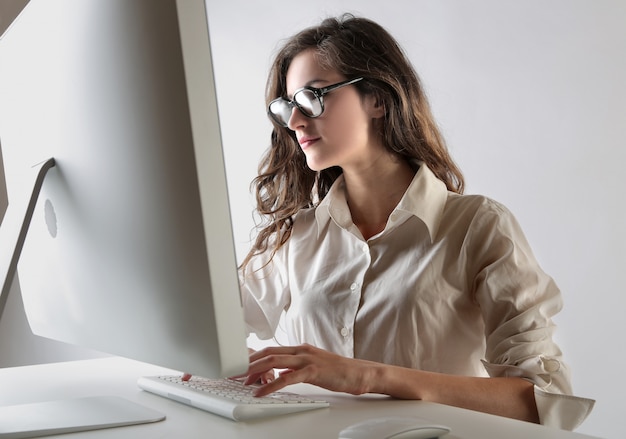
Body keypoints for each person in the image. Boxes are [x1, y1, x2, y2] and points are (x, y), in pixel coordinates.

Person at [215, 14, 595, 430]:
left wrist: (366, 376)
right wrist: (226, 367)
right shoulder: (298, 235)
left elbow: (543, 401)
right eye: (288, 106)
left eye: (312, 97)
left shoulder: (478, 227)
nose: (295, 121)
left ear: (377, 98)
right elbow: (212, 330)